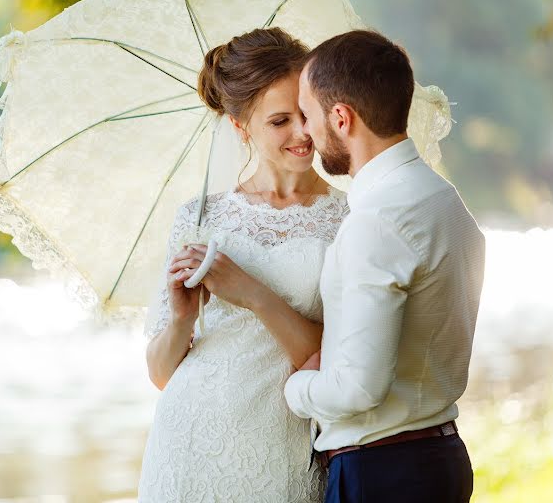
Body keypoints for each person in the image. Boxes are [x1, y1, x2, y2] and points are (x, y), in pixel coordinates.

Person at [137, 27, 349, 502]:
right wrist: (182, 318)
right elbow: (160, 373)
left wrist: (252, 293)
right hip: (186, 444)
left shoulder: (347, 220)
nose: (302, 133)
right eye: (279, 121)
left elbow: (341, 363)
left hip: (280, 447)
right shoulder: (199, 217)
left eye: (305, 113)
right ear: (239, 126)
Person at [284, 29, 486, 503]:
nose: (306, 133)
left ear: (341, 118)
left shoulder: (377, 222)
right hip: (440, 457)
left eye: (308, 116)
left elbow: (357, 389)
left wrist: (297, 387)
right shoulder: (445, 200)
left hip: (381, 471)